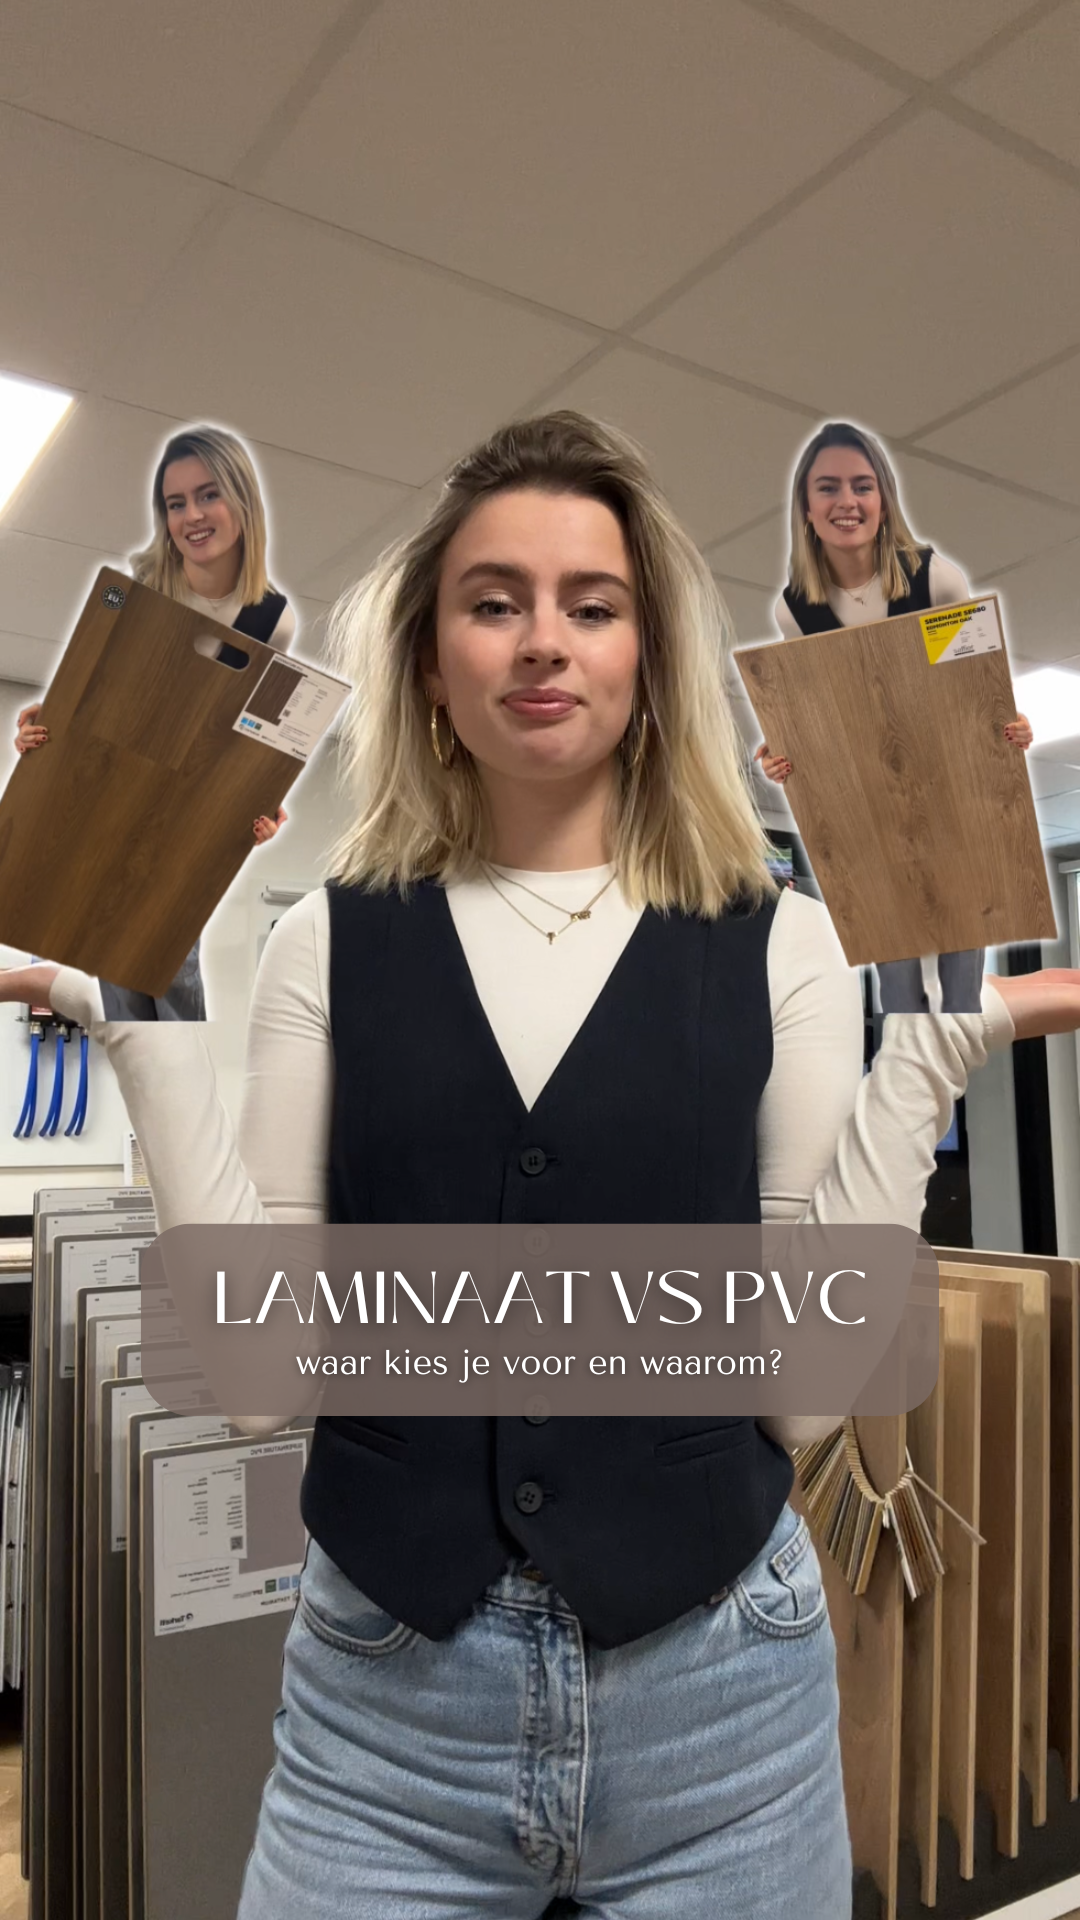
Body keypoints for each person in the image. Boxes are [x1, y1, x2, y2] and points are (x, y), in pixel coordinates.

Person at [14, 410, 1080, 1920]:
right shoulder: (330, 938)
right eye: (493, 601)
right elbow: (260, 1378)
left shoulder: (780, 939)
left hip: (727, 1711)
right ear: (431, 665)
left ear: (647, 664)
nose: (542, 642)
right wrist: (145, 1022)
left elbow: (799, 1391)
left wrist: (929, 1050)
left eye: (592, 606)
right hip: (382, 1722)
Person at [11, 424, 294, 1019]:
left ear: (242, 499)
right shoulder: (133, 586)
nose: (192, 514)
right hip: (111, 773)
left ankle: (168, 1090)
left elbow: (253, 736)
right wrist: (50, 719)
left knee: (163, 949)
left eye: (208, 494)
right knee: (108, 944)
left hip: (182, 796)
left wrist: (264, 798)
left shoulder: (273, 617)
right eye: (175, 503)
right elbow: (92, 668)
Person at [755, 420, 1033, 1015]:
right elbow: (813, 717)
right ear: (806, 505)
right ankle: (912, 1100)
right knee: (899, 994)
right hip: (871, 804)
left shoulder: (936, 579)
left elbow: (974, 691)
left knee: (961, 992)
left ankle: (953, 1073)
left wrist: (1007, 730)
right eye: (827, 487)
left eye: (862, 485)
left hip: (950, 791)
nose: (846, 502)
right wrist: (781, 751)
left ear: (884, 498)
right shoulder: (795, 609)